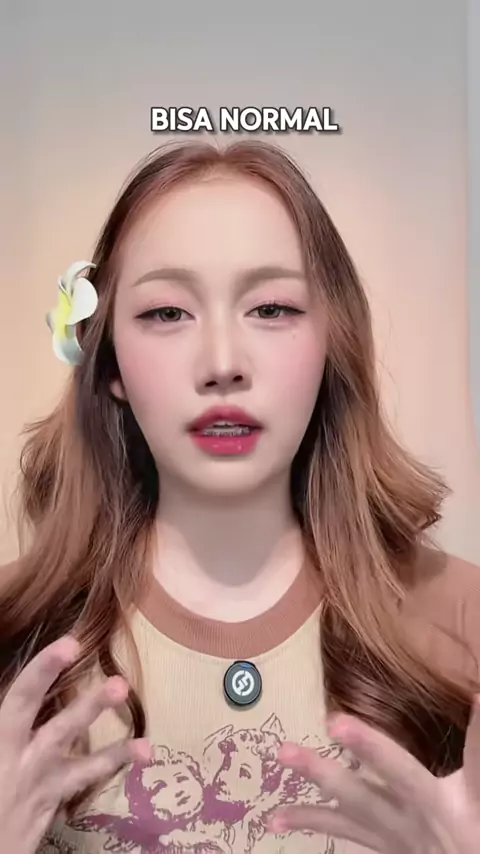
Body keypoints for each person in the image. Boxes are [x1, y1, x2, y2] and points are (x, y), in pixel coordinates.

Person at [0, 139, 479, 854]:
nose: (223, 363)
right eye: (168, 313)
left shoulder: (464, 625)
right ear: (109, 365)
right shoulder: (14, 638)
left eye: (273, 308)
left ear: (333, 341)